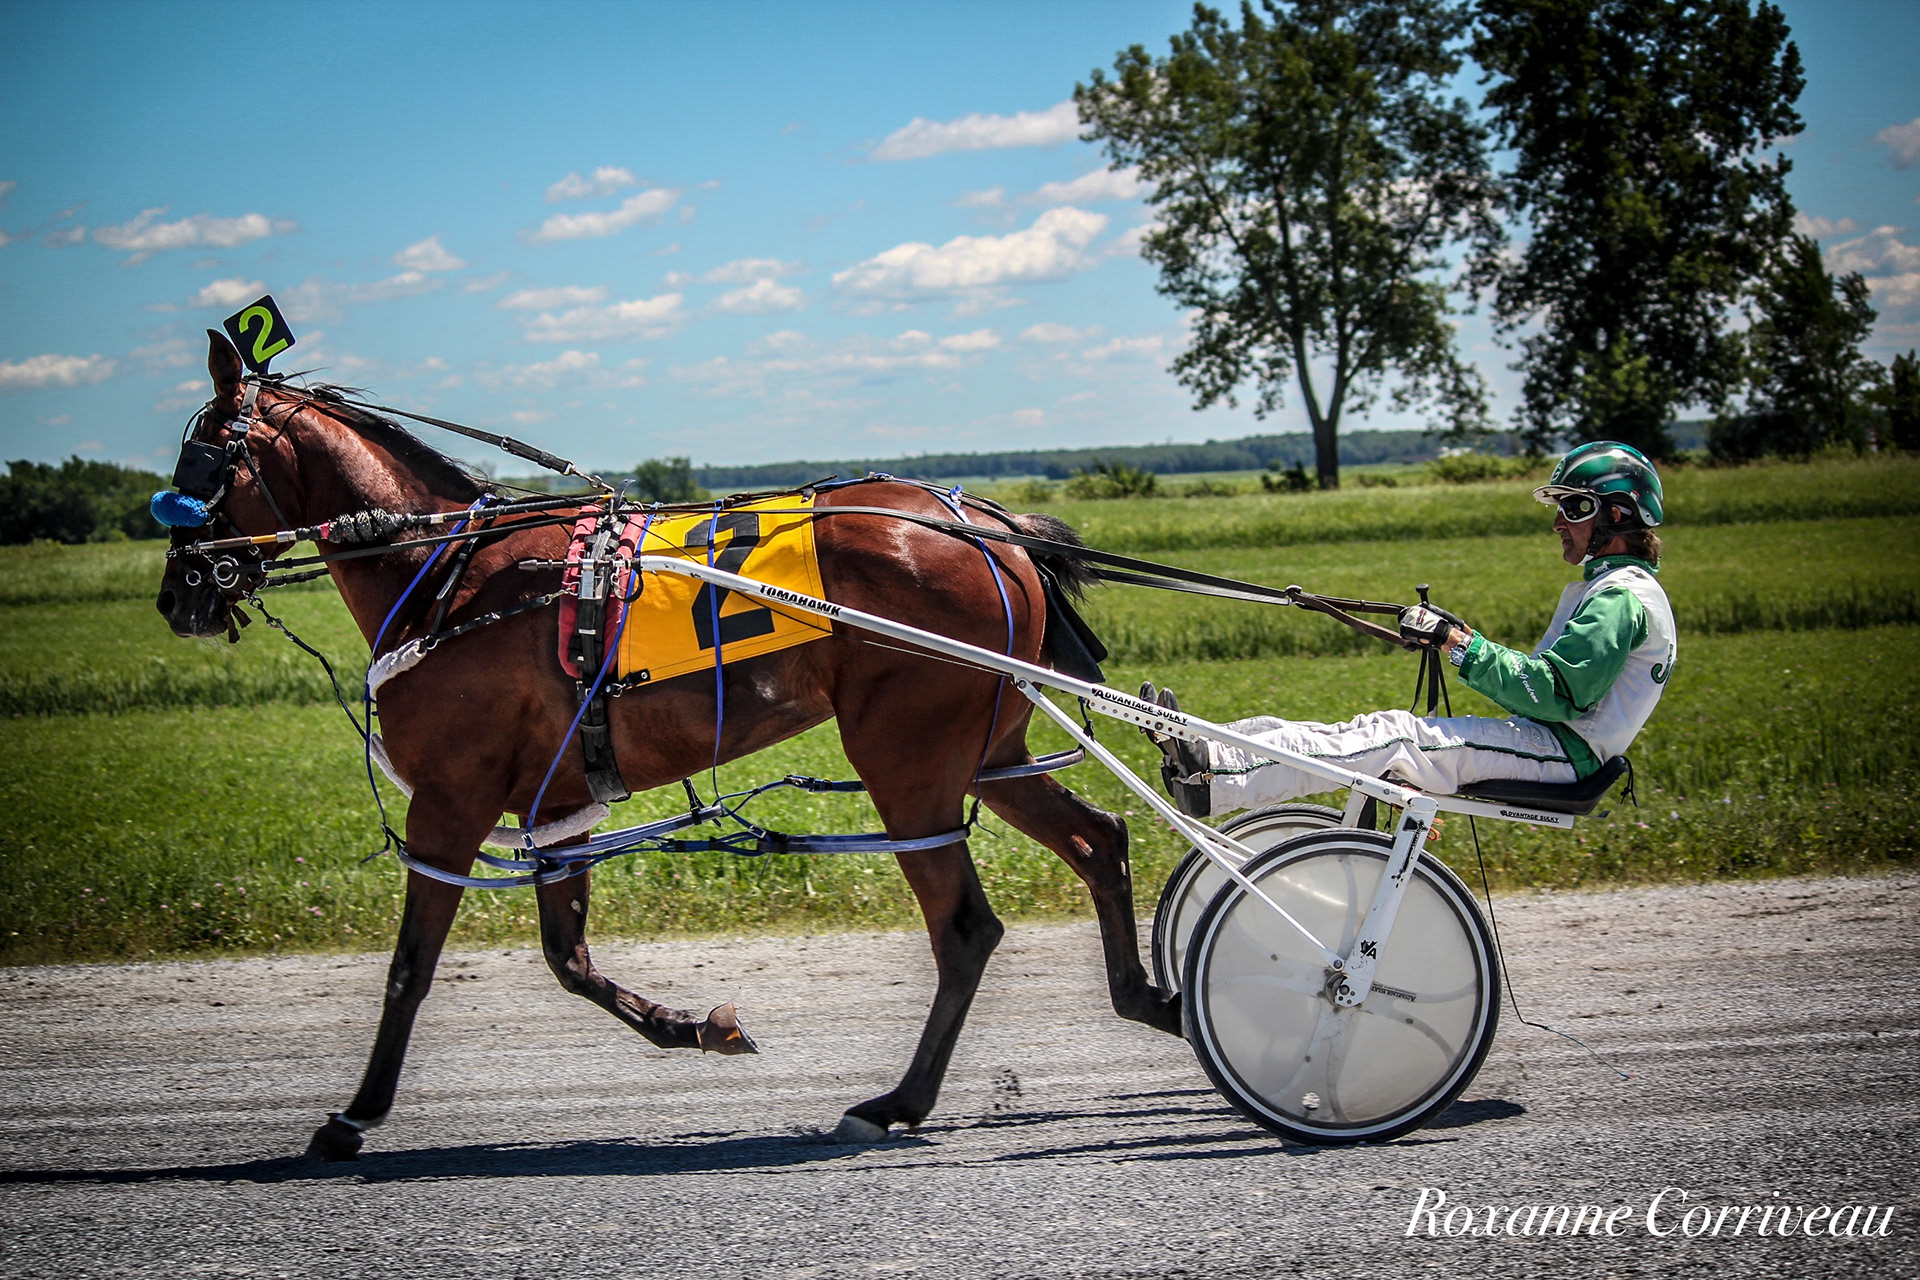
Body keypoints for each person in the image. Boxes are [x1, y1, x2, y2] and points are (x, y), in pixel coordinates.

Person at [1147, 442, 1678, 818]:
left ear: (1616, 516)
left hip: (1561, 753)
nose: (1558, 521)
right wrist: (1459, 636)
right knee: (1373, 731)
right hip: (1553, 747)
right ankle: (1205, 749)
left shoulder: (1620, 596)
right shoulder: (1617, 589)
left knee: (1393, 738)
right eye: (1559, 506)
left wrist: (1459, 644)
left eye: (1573, 507)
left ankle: (1213, 774)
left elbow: (1555, 692)